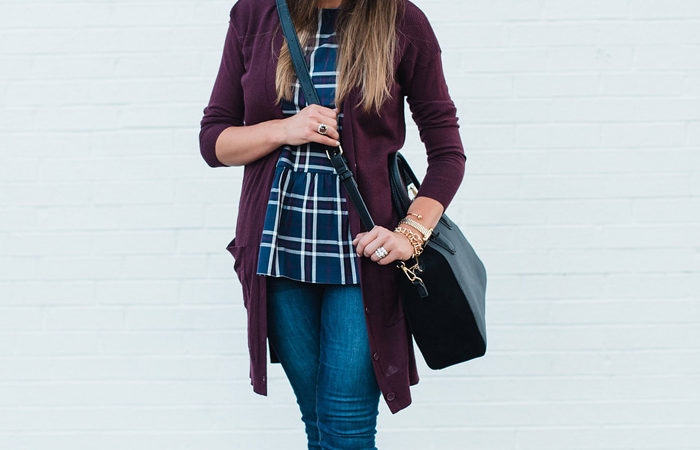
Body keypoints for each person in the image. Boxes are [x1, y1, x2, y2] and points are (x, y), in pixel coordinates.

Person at [199, 0, 465, 448]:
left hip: (362, 262)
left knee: (345, 427)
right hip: (279, 252)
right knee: (319, 423)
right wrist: (284, 130)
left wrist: (410, 235)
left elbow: (447, 150)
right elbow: (215, 141)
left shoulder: (401, 21)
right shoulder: (253, 15)